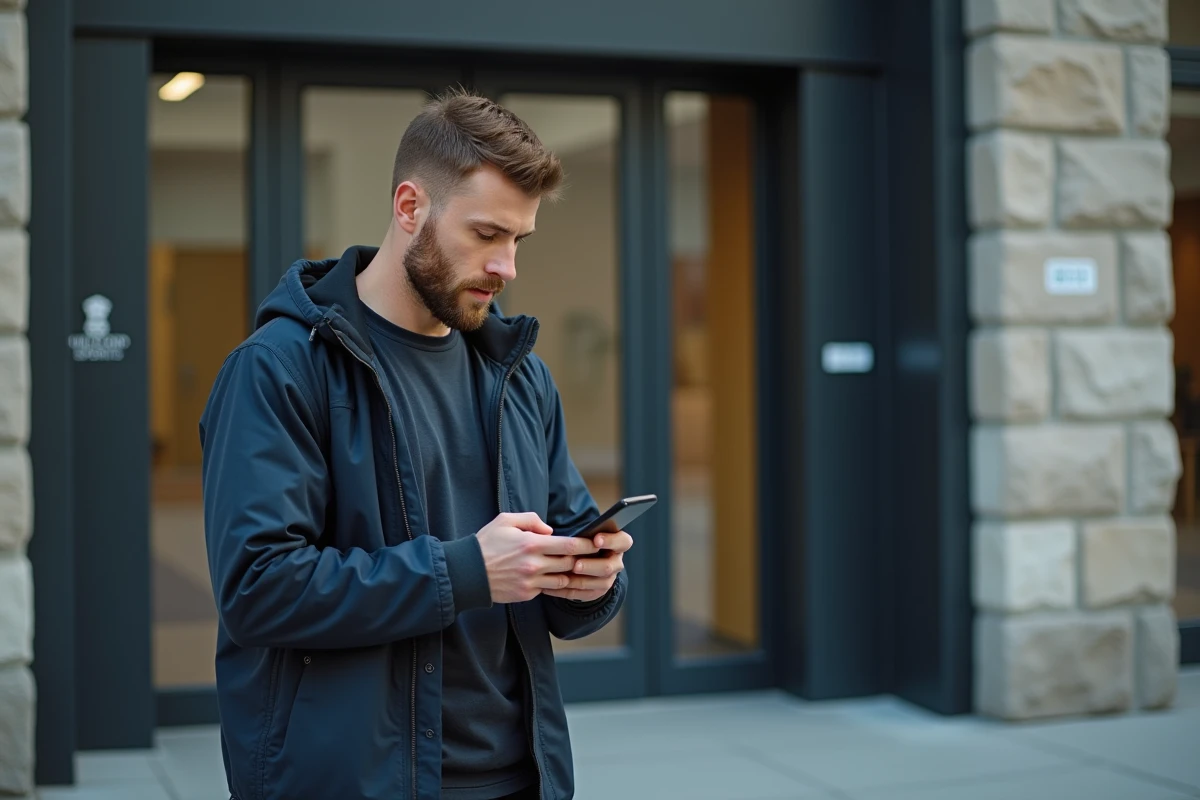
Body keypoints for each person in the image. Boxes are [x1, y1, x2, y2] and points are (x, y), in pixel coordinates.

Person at [199, 89, 632, 800]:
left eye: (518, 240)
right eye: (487, 234)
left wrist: (592, 581)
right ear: (410, 208)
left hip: (520, 777)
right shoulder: (279, 368)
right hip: (354, 780)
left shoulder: (520, 378)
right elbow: (259, 589)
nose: (506, 267)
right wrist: (466, 571)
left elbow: (558, 550)